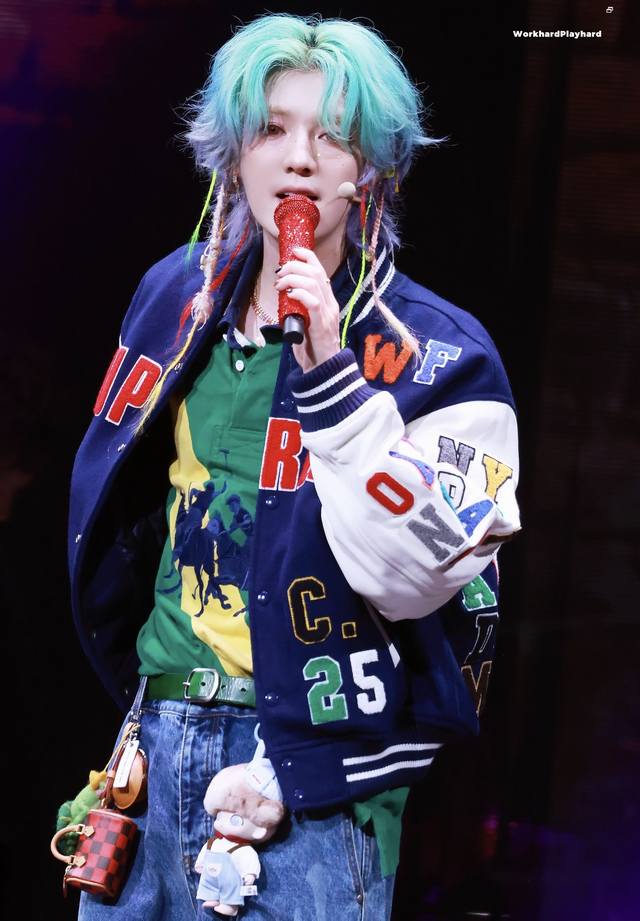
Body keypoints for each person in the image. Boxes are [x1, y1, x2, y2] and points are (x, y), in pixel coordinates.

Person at [67, 12, 520, 921]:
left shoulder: (443, 352)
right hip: (154, 746)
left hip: (313, 783)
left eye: (333, 136)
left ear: (373, 168)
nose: (300, 159)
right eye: (273, 128)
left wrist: (330, 373)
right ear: (234, 152)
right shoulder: (174, 297)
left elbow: (421, 577)